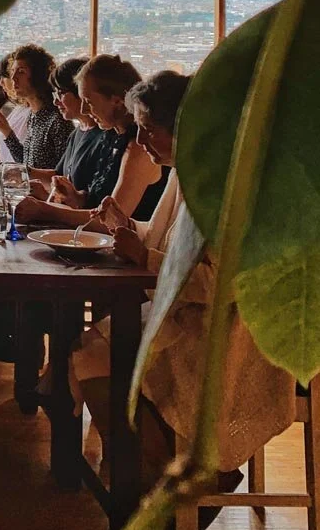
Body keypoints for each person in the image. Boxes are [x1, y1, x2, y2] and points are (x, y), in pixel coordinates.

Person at [74, 71, 296, 489]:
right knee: (86, 349)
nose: (141, 142)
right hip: (187, 315)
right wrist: (127, 227)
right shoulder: (187, 170)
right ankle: (145, 475)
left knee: (91, 352)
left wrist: (144, 255)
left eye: (149, 130)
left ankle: (181, 479)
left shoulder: (227, 184)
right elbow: (169, 242)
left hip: (228, 335)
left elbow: (223, 283)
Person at [18, 54, 166, 227]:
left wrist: (43, 210)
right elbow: (96, 203)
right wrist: (76, 197)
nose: (84, 109)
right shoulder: (111, 137)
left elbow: (111, 222)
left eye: (88, 102)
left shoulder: (140, 148)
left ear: (117, 101)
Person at [29, 57, 107, 199]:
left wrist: (46, 200)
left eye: (61, 93)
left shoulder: (106, 138)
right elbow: (59, 176)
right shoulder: (77, 133)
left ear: (80, 92)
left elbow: (92, 200)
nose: (56, 101)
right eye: (55, 94)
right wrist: (18, 171)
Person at [0, 44, 72, 169]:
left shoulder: (57, 121)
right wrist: (7, 131)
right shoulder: (34, 115)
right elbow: (26, 162)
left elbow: (64, 173)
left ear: (37, 76)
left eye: (21, 72)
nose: (13, 78)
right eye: (12, 71)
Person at [0, 52, 30, 163]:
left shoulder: (34, 113)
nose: (1, 83)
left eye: (5, 76)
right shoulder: (19, 108)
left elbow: (25, 160)